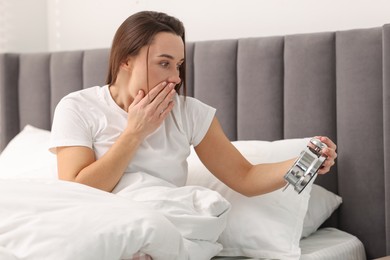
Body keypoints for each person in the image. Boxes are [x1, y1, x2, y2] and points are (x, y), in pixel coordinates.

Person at [50, 11, 337, 197]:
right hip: (98, 225)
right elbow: (78, 192)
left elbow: (246, 178)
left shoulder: (190, 113)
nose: (175, 78)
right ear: (126, 59)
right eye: (163, 63)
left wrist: (304, 161)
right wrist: (135, 132)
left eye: (179, 65)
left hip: (163, 222)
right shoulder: (77, 107)